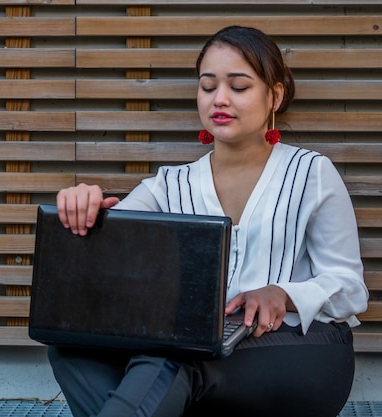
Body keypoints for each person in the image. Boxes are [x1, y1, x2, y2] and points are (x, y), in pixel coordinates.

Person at [48, 26, 369, 417]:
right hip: (202, 352)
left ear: (275, 95)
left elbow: (350, 289)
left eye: (239, 86)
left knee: (171, 360)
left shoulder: (310, 173)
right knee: (70, 345)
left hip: (298, 349)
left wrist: (282, 294)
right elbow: (110, 249)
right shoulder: (170, 185)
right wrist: (83, 206)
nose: (220, 99)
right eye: (207, 86)